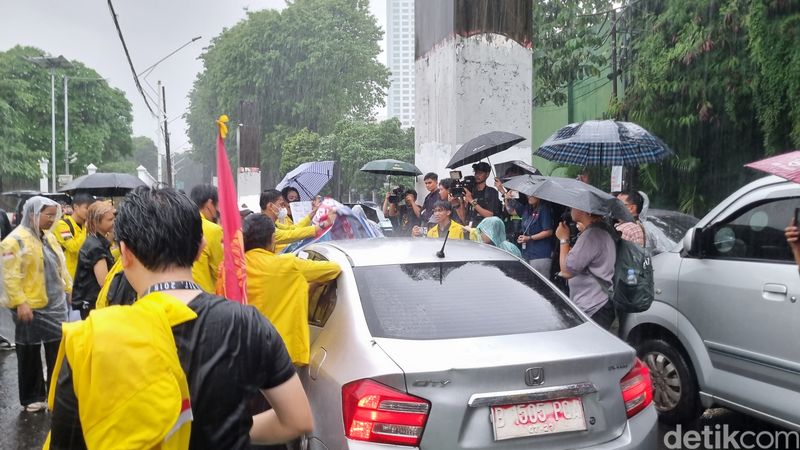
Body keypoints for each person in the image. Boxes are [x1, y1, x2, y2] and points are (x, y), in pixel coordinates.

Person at [48, 186, 313, 449]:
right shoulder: (248, 323)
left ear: (125, 253)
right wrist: (235, 428)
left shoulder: (93, 339)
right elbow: (298, 421)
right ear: (201, 248)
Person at [0, 196, 71, 413]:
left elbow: (61, 265)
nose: (52, 219)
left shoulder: (48, 237)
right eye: (48, 215)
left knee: (57, 349)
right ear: (33, 214)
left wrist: (68, 288)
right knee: (29, 352)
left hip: (54, 304)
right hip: (30, 307)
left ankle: (55, 391)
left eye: (53, 215)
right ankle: (32, 396)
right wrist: (21, 303)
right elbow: (10, 276)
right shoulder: (15, 241)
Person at [243, 213, 341, 366]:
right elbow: (334, 269)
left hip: (245, 350)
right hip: (279, 351)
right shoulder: (289, 264)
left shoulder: (234, 266)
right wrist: (311, 284)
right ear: (272, 239)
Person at [555, 208, 617, 330]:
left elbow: (567, 271)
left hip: (593, 305)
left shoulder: (592, 234)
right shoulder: (602, 230)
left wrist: (563, 239)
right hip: (600, 302)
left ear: (587, 211)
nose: (571, 210)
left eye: (574, 207)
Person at [71, 201, 115, 318]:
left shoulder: (96, 241)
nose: (114, 222)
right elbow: (104, 283)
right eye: (110, 220)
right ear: (96, 222)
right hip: (92, 303)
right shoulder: (95, 247)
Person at [260, 189, 327, 253]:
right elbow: (290, 235)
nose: (283, 207)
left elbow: (293, 228)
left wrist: (313, 212)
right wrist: (317, 228)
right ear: (271, 206)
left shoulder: (272, 224)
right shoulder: (265, 227)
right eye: (281, 204)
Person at [188, 185, 224, 293]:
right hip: (204, 296)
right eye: (217, 205)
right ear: (209, 204)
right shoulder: (213, 230)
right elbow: (219, 269)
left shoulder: (181, 223)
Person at [55, 192, 95, 280]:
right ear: (76, 207)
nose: (89, 212)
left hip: (85, 277)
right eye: (87, 208)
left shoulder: (86, 226)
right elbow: (74, 247)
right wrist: (87, 229)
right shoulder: (62, 225)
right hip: (69, 279)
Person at [515, 195, 554, 278]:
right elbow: (511, 211)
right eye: (528, 194)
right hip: (527, 253)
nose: (529, 196)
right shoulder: (529, 209)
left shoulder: (544, 209)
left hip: (540, 254)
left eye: (532, 194)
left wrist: (529, 238)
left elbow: (548, 231)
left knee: (540, 285)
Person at [464, 162, 502, 226]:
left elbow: (490, 215)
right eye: (476, 173)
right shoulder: (471, 192)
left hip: (483, 231)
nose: (477, 175)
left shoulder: (491, 192)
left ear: (487, 174)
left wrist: (471, 201)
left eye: (480, 173)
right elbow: (464, 218)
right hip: (469, 230)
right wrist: (459, 203)